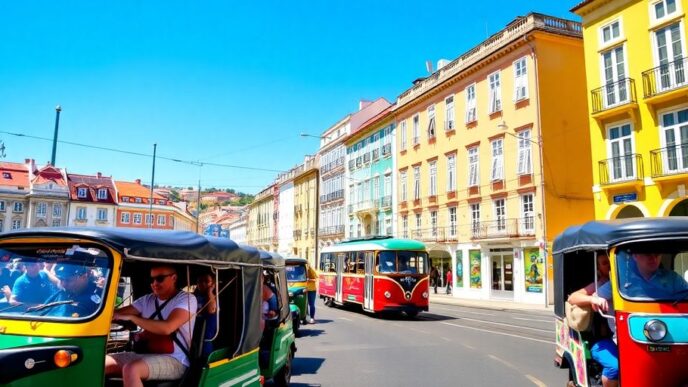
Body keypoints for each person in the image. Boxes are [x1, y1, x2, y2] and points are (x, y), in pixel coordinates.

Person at [105, 265, 197, 386]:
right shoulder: (147, 300)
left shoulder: (186, 299)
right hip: (147, 354)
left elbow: (167, 328)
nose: (154, 283)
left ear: (173, 278)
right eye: (151, 280)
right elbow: (115, 314)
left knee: (132, 369)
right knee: (102, 363)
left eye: (159, 279)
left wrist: (133, 318)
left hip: (176, 359)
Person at [568, 253, 616, 387]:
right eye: (605, 263)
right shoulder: (600, 284)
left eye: (612, 261)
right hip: (600, 338)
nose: (610, 266)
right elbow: (573, 298)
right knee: (615, 367)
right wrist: (593, 299)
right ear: (599, 269)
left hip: (622, 335)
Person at [194, 272, 217, 357]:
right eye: (200, 281)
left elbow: (211, 310)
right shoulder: (194, 296)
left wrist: (210, 292)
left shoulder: (214, 297)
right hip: (194, 332)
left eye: (206, 281)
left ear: (212, 284)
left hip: (206, 336)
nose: (202, 284)